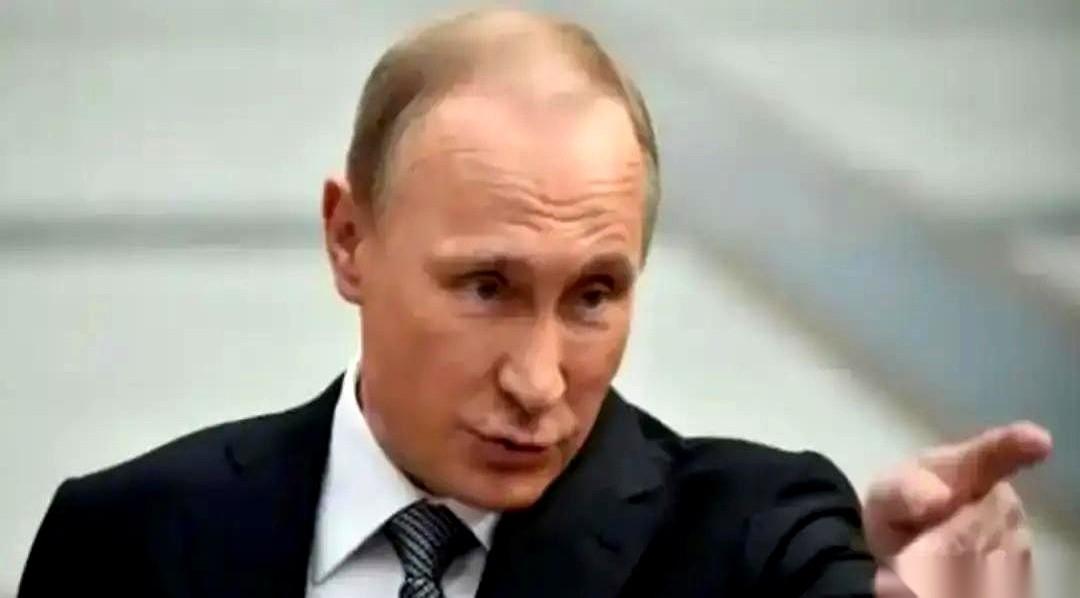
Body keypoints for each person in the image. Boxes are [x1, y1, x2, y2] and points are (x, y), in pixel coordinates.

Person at [18, 9, 1051, 598]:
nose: (540, 381)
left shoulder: (749, 537)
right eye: (487, 287)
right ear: (349, 239)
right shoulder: (125, 541)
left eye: (594, 295)